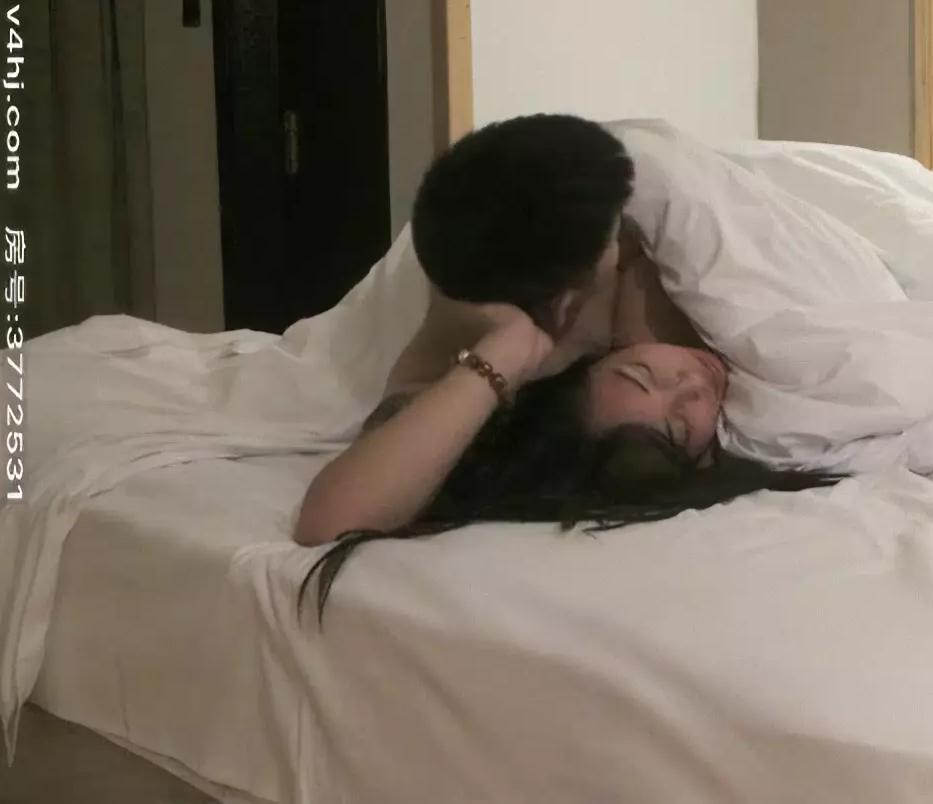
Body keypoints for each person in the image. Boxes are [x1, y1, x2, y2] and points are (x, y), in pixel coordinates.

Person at [294, 114, 836, 618]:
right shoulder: (464, 322)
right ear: (566, 299)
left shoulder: (616, 268)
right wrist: (505, 350)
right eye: (611, 237)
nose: (621, 234)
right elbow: (332, 520)